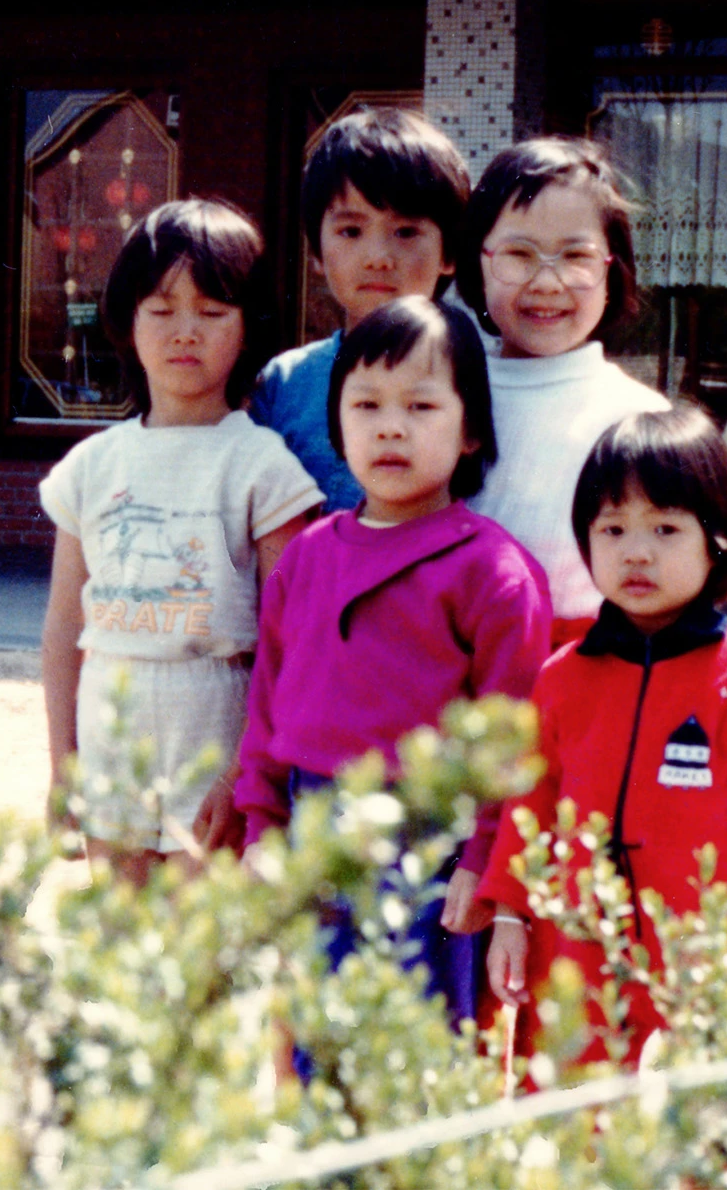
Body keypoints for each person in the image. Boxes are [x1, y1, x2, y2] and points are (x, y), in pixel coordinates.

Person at [235, 296, 552, 1020]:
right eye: (367, 403)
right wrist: (262, 825)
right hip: (314, 831)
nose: (390, 426)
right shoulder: (307, 558)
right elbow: (268, 704)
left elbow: (515, 745)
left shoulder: (493, 573)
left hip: (432, 850)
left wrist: (486, 864)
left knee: (422, 1059)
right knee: (324, 1045)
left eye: (421, 406)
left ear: (472, 429)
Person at [479, 404, 727, 1064]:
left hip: (696, 959)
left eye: (665, 528)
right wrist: (510, 916)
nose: (636, 552)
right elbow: (530, 809)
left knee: (691, 1138)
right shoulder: (562, 678)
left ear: (717, 541)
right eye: (613, 529)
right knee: (566, 1130)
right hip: (570, 956)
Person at [40, 199, 324, 887]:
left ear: (247, 325)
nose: (184, 332)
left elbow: (285, 636)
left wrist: (245, 774)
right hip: (113, 721)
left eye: (211, 311)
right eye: (161, 310)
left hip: (214, 722)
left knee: (201, 957)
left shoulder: (262, 465)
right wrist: (61, 764)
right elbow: (62, 626)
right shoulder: (93, 465)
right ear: (127, 322)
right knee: (123, 953)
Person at [456, 136, 666, 643]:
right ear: (477, 262)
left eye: (576, 256)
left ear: (611, 270)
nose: (547, 282)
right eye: (518, 254)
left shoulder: (638, 416)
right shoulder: (443, 391)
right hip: (445, 668)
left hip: (587, 673)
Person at [250, 106, 470, 510]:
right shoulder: (284, 384)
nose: (378, 257)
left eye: (406, 231)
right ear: (316, 251)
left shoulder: (476, 378)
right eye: (351, 231)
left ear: (449, 253)